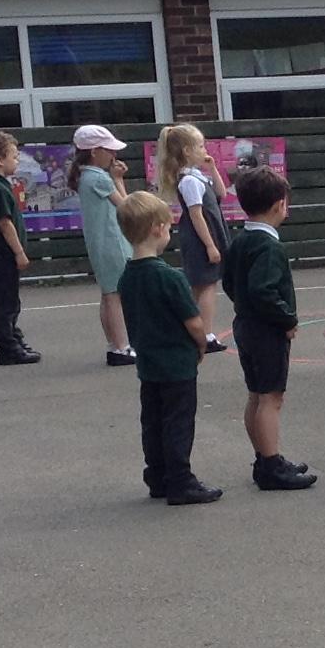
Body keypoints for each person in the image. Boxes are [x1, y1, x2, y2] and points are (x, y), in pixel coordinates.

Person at [114, 190, 218, 505]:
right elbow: (194, 322)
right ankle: (180, 480)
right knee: (178, 422)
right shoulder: (170, 277)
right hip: (177, 363)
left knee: (153, 421)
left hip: (148, 363)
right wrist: (201, 344)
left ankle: (157, 475)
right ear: (158, 229)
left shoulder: (127, 277)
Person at [221, 166, 315, 492]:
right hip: (265, 330)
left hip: (245, 325)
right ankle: (271, 464)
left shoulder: (240, 241)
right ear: (280, 204)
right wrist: (287, 319)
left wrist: (244, 306)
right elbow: (264, 291)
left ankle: (264, 457)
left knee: (257, 394)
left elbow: (230, 282)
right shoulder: (270, 247)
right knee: (271, 398)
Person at [158, 122, 231, 354]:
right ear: (187, 151)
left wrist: (213, 169)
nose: (204, 150)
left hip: (208, 235)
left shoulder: (198, 176)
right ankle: (205, 335)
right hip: (201, 238)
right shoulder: (189, 181)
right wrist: (210, 245)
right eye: (200, 146)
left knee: (202, 285)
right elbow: (196, 215)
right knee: (207, 285)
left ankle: (194, 332)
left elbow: (222, 193)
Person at [70, 124, 137, 367]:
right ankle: (121, 346)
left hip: (101, 242)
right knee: (114, 295)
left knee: (108, 293)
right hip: (111, 242)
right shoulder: (98, 178)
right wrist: (119, 180)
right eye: (109, 150)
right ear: (94, 152)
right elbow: (126, 207)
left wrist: (115, 178)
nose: (113, 155)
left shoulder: (86, 176)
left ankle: (114, 344)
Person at [0, 130, 39, 365]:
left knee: (11, 300)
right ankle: (8, 346)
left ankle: (14, 337)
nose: (17, 160)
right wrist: (19, 252)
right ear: (0, 160)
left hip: (4, 255)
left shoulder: (0, 185)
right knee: (6, 302)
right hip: (3, 255)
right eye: (14, 156)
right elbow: (5, 223)